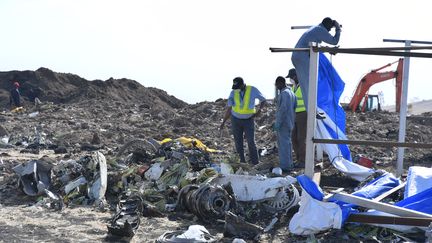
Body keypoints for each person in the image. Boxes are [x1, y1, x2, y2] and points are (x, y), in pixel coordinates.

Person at [291, 17, 341, 110]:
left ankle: (312, 108)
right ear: (327, 25)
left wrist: (329, 50)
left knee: (307, 84)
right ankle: (312, 109)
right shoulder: (320, 30)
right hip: (302, 56)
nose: (329, 31)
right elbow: (334, 41)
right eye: (330, 28)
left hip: (298, 56)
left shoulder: (316, 29)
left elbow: (315, 47)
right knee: (309, 83)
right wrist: (338, 28)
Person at [220, 77, 266, 165]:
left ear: (242, 85)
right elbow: (229, 108)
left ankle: (255, 163)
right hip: (236, 119)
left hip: (248, 120)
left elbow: (263, 100)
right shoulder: (233, 93)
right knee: (238, 142)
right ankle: (242, 162)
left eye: (237, 87)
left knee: (251, 141)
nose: (236, 89)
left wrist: (260, 110)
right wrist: (223, 122)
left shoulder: (252, 90)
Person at [274, 76, 296, 171]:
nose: (277, 87)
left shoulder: (284, 94)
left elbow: (282, 109)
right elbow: (295, 107)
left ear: (280, 83)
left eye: (277, 85)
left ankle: (285, 166)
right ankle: (289, 164)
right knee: (288, 144)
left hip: (284, 123)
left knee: (283, 145)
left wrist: (278, 123)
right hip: (290, 121)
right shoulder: (292, 93)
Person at [287, 68, 306, 165]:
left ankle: (303, 160)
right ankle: (299, 159)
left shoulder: (304, 86)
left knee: (301, 138)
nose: (290, 79)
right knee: (293, 138)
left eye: (291, 77)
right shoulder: (294, 87)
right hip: (294, 115)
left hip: (303, 114)